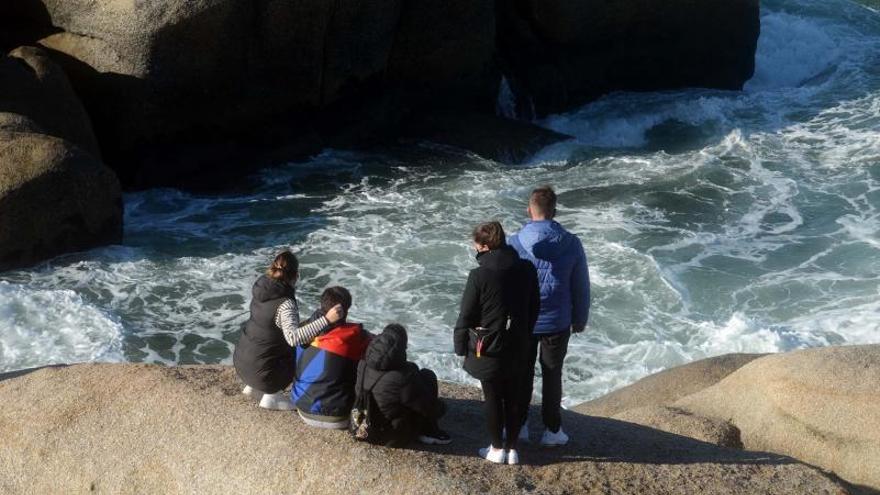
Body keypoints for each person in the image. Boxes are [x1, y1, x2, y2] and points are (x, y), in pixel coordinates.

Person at [508, 186, 590, 446]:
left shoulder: (514, 242)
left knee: (522, 372)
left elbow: (504, 282)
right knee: (552, 375)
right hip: (557, 320)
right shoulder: (571, 242)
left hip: (523, 319)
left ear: (529, 210)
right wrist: (580, 318)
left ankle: (519, 426)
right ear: (554, 211)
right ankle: (552, 431)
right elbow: (581, 285)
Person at [454, 221, 540, 465]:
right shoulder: (526, 268)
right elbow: (535, 307)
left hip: (488, 346)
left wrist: (460, 344)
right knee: (514, 396)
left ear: (483, 246)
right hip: (519, 341)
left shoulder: (479, 275)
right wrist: (525, 332)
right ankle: (512, 449)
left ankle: (496, 448)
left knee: (492, 396)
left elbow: (467, 314)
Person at [233, 251, 344, 410]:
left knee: (263, 338)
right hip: (264, 375)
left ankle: (252, 387)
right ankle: (272, 397)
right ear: (296, 275)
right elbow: (293, 338)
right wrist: (327, 319)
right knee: (301, 350)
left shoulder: (261, 288)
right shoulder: (285, 304)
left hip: (241, 364)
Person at [355, 324, 451, 446]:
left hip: (363, 425)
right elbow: (427, 407)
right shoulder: (402, 376)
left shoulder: (362, 364)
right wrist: (443, 407)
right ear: (401, 349)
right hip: (390, 435)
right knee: (427, 375)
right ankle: (430, 431)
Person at [292, 286, 371, 429]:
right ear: (345, 310)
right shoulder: (355, 336)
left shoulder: (303, 332)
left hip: (302, 407)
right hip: (338, 416)